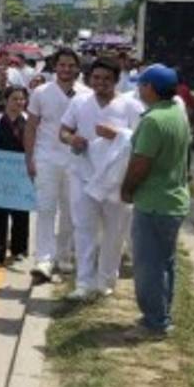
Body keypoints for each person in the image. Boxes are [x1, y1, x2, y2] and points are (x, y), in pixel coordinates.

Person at [59, 57, 145, 300]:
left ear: (117, 80)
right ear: (89, 78)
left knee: (114, 232)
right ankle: (84, 282)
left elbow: (143, 139)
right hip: (83, 175)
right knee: (84, 229)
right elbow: (63, 130)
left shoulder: (131, 106)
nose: (101, 83)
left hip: (116, 180)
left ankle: (106, 279)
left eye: (107, 79)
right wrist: (71, 139)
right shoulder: (79, 101)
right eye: (96, 78)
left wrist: (117, 134)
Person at [121, 65, 191, 337]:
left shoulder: (152, 121)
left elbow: (141, 163)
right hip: (173, 201)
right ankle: (162, 315)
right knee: (165, 263)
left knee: (149, 266)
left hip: (153, 203)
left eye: (142, 85)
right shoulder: (176, 113)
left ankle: (154, 323)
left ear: (150, 87)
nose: (138, 89)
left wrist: (127, 189)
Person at [23, 47, 81, 283]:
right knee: (46, 209)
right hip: (46, 157)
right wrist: (29, 158)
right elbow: (31, 127)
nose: (66, 69)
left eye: (70, 65)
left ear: (77, 68)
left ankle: (64, 254)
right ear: (54, 67)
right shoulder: (41, 92)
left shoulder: (85, 94)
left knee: (70, 210)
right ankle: (44, 260)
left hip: (75, 161)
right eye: (62, 65)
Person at [0, 86, 30, 268]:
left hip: (21, 171)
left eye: (21, 99)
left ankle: (19, 249)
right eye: (14, 99)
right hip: (0, 170)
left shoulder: (29, 122)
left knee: (20, 212)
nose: (18, 103)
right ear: (6, 100)